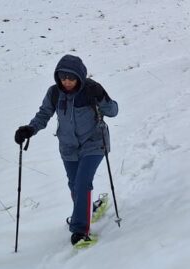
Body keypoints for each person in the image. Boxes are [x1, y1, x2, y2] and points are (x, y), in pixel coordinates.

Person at [14, 54, 118, 246]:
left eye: (71, 78)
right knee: (74, 184)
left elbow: (113, 111)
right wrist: (29, 129)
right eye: (63, 78)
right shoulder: (54, 93)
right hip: (69, 147)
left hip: (94, 143)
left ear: (79, 76)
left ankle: (80, 231)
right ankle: (88, 211)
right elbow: (44, 114)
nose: (67, 82)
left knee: (82, 183)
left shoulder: (91, 90)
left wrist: (102, 96)